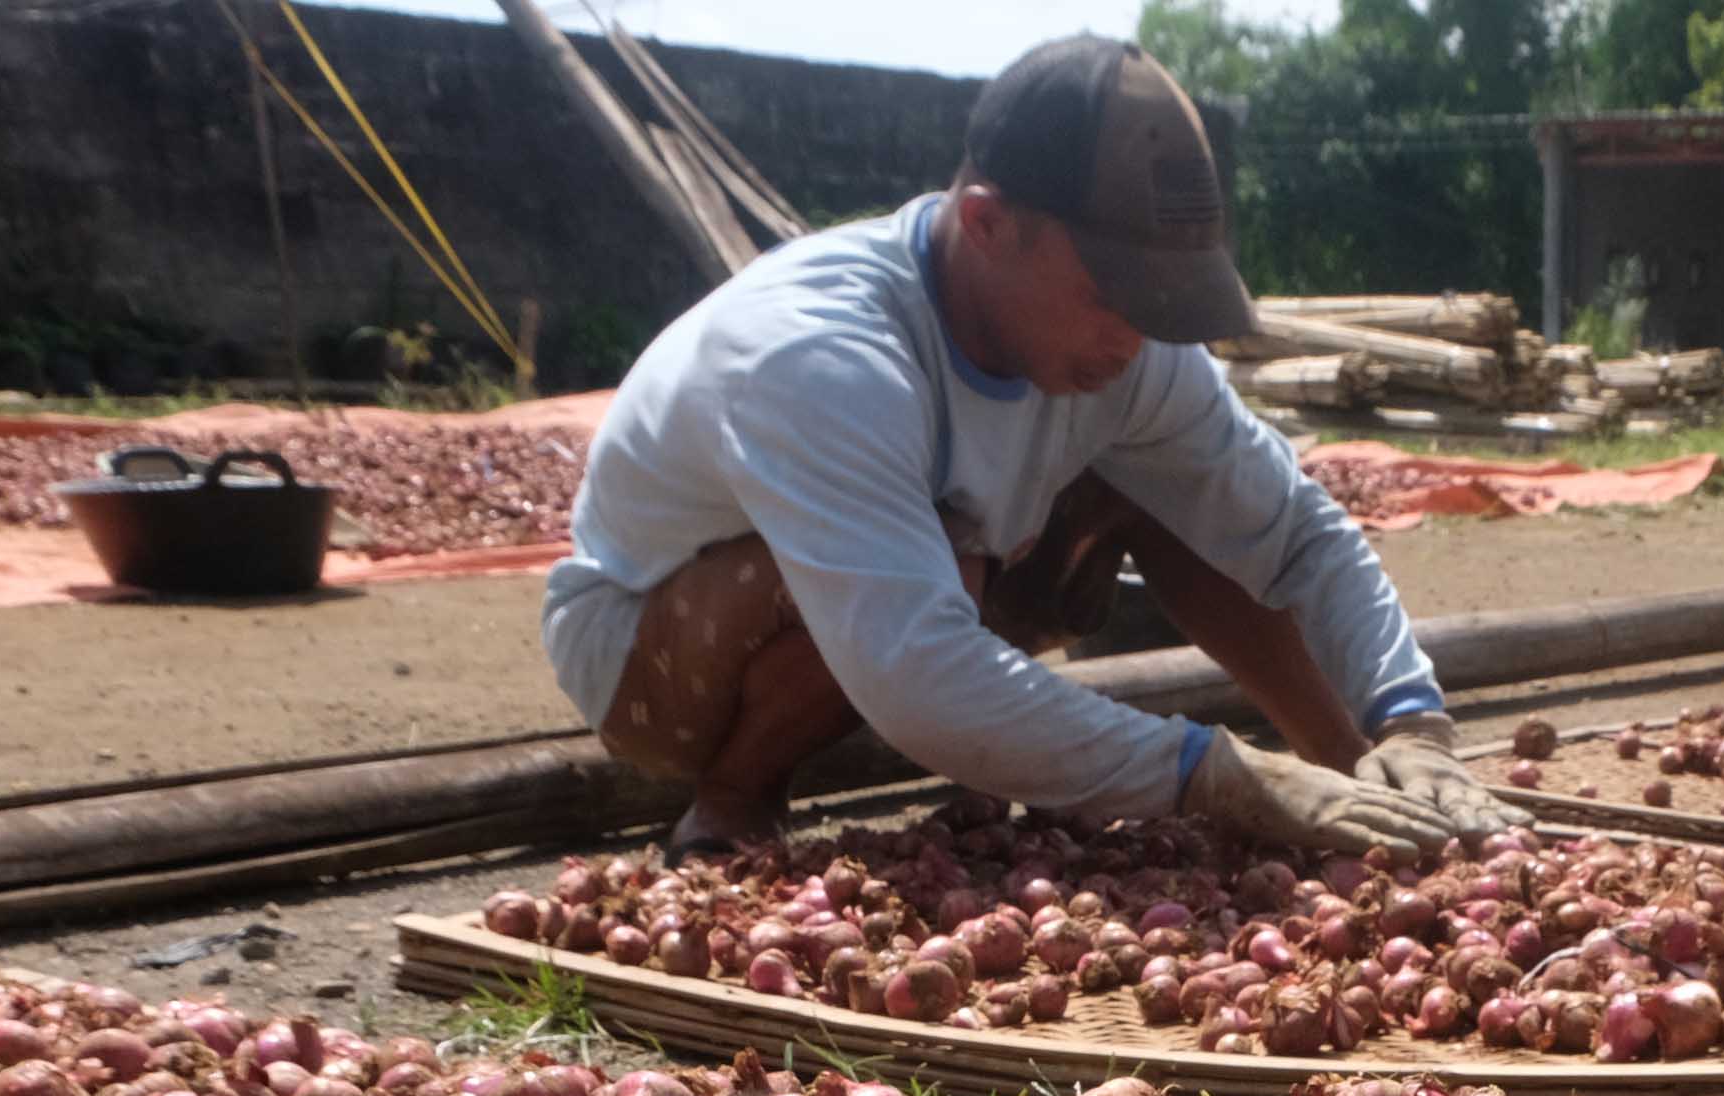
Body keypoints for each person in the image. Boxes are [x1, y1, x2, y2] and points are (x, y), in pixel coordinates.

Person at [538, 35, 1496, 860]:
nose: (1135, 336)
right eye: (1113, 293)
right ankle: (734, 802)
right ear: (988, 225)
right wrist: (1211, 775)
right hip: (648, 654)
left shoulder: (1128, 354)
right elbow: (915, 668)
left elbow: (1291, 533)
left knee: (1172, 490)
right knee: (943, 564)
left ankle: (1354, 784)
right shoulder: (821, 354)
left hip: (917, 610)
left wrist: (1410, 722)